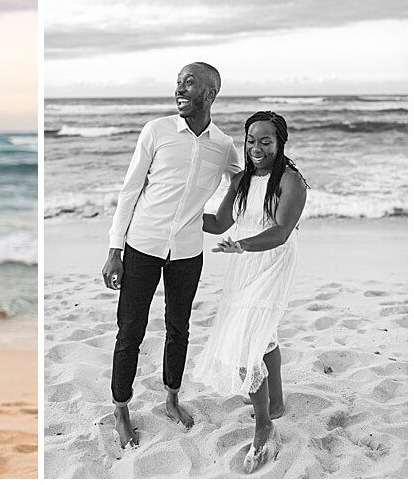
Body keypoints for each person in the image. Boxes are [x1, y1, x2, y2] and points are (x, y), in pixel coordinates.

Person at [101, 62, 243, 448]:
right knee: (131, 329)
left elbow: (246, 180)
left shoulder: (223, 145)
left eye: (189, 83)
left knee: (179, 327)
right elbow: (130, 190)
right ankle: (120, 408)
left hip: (187, 251)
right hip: (141, 246)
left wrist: (278, 206)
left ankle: (172, 398)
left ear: (210, 94)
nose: (179, 89)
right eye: (178, 82)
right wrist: (115, 250)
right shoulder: (157, 131)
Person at [193, 111, 307, 473]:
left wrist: (240, 246)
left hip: (270, 264)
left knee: (248, 343)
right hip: (244, 266)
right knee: (264, 334)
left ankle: (263, 425)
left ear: (280, 143)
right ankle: (275, 403)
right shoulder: (241, 179)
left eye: (265, 141)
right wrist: (177, 214)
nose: (256, 148)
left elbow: (280, 232)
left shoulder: (291, 181)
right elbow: (219, 223)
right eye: (251, 140)